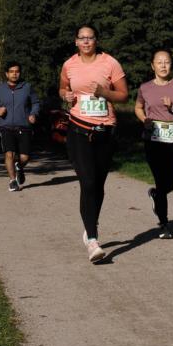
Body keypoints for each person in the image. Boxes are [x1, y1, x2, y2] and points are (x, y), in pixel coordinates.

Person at [59, 25, 128, 263]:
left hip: (105, 131)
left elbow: (124, 95)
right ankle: (92, 240)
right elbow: (62, 88)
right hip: (78, 129)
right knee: (87, 182)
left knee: (98, 185)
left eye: (90, 38)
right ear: (76, 41)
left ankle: (90, 224)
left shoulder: (110, 63)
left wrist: (104, 92)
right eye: (82, 38)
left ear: (96, 40)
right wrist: (65, 95)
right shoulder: (69, 64)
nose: (86, 41)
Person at [134, 50, 173, 239]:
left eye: (166, 62)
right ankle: (164, 224)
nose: (163, 65)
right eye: (159, 62)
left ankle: (156, 195)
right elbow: (138, 107)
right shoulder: (145, 88)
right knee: (160, 180)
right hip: (153, 140)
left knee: (169, 184)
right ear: (153, 66)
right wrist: (144, 120)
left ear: (171, 65)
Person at [0, 62, 40, 192]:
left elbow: (35, 102)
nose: (14, 74)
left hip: (24, 126)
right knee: (9, 154)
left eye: (17, 71)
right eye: (11, 71)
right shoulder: (0, 88)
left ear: (20, 73)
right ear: (7, 74)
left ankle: (19, 166)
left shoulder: (27, 87)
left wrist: (33, 114)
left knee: (25, 157)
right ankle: (12, 181)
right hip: (6, 126)